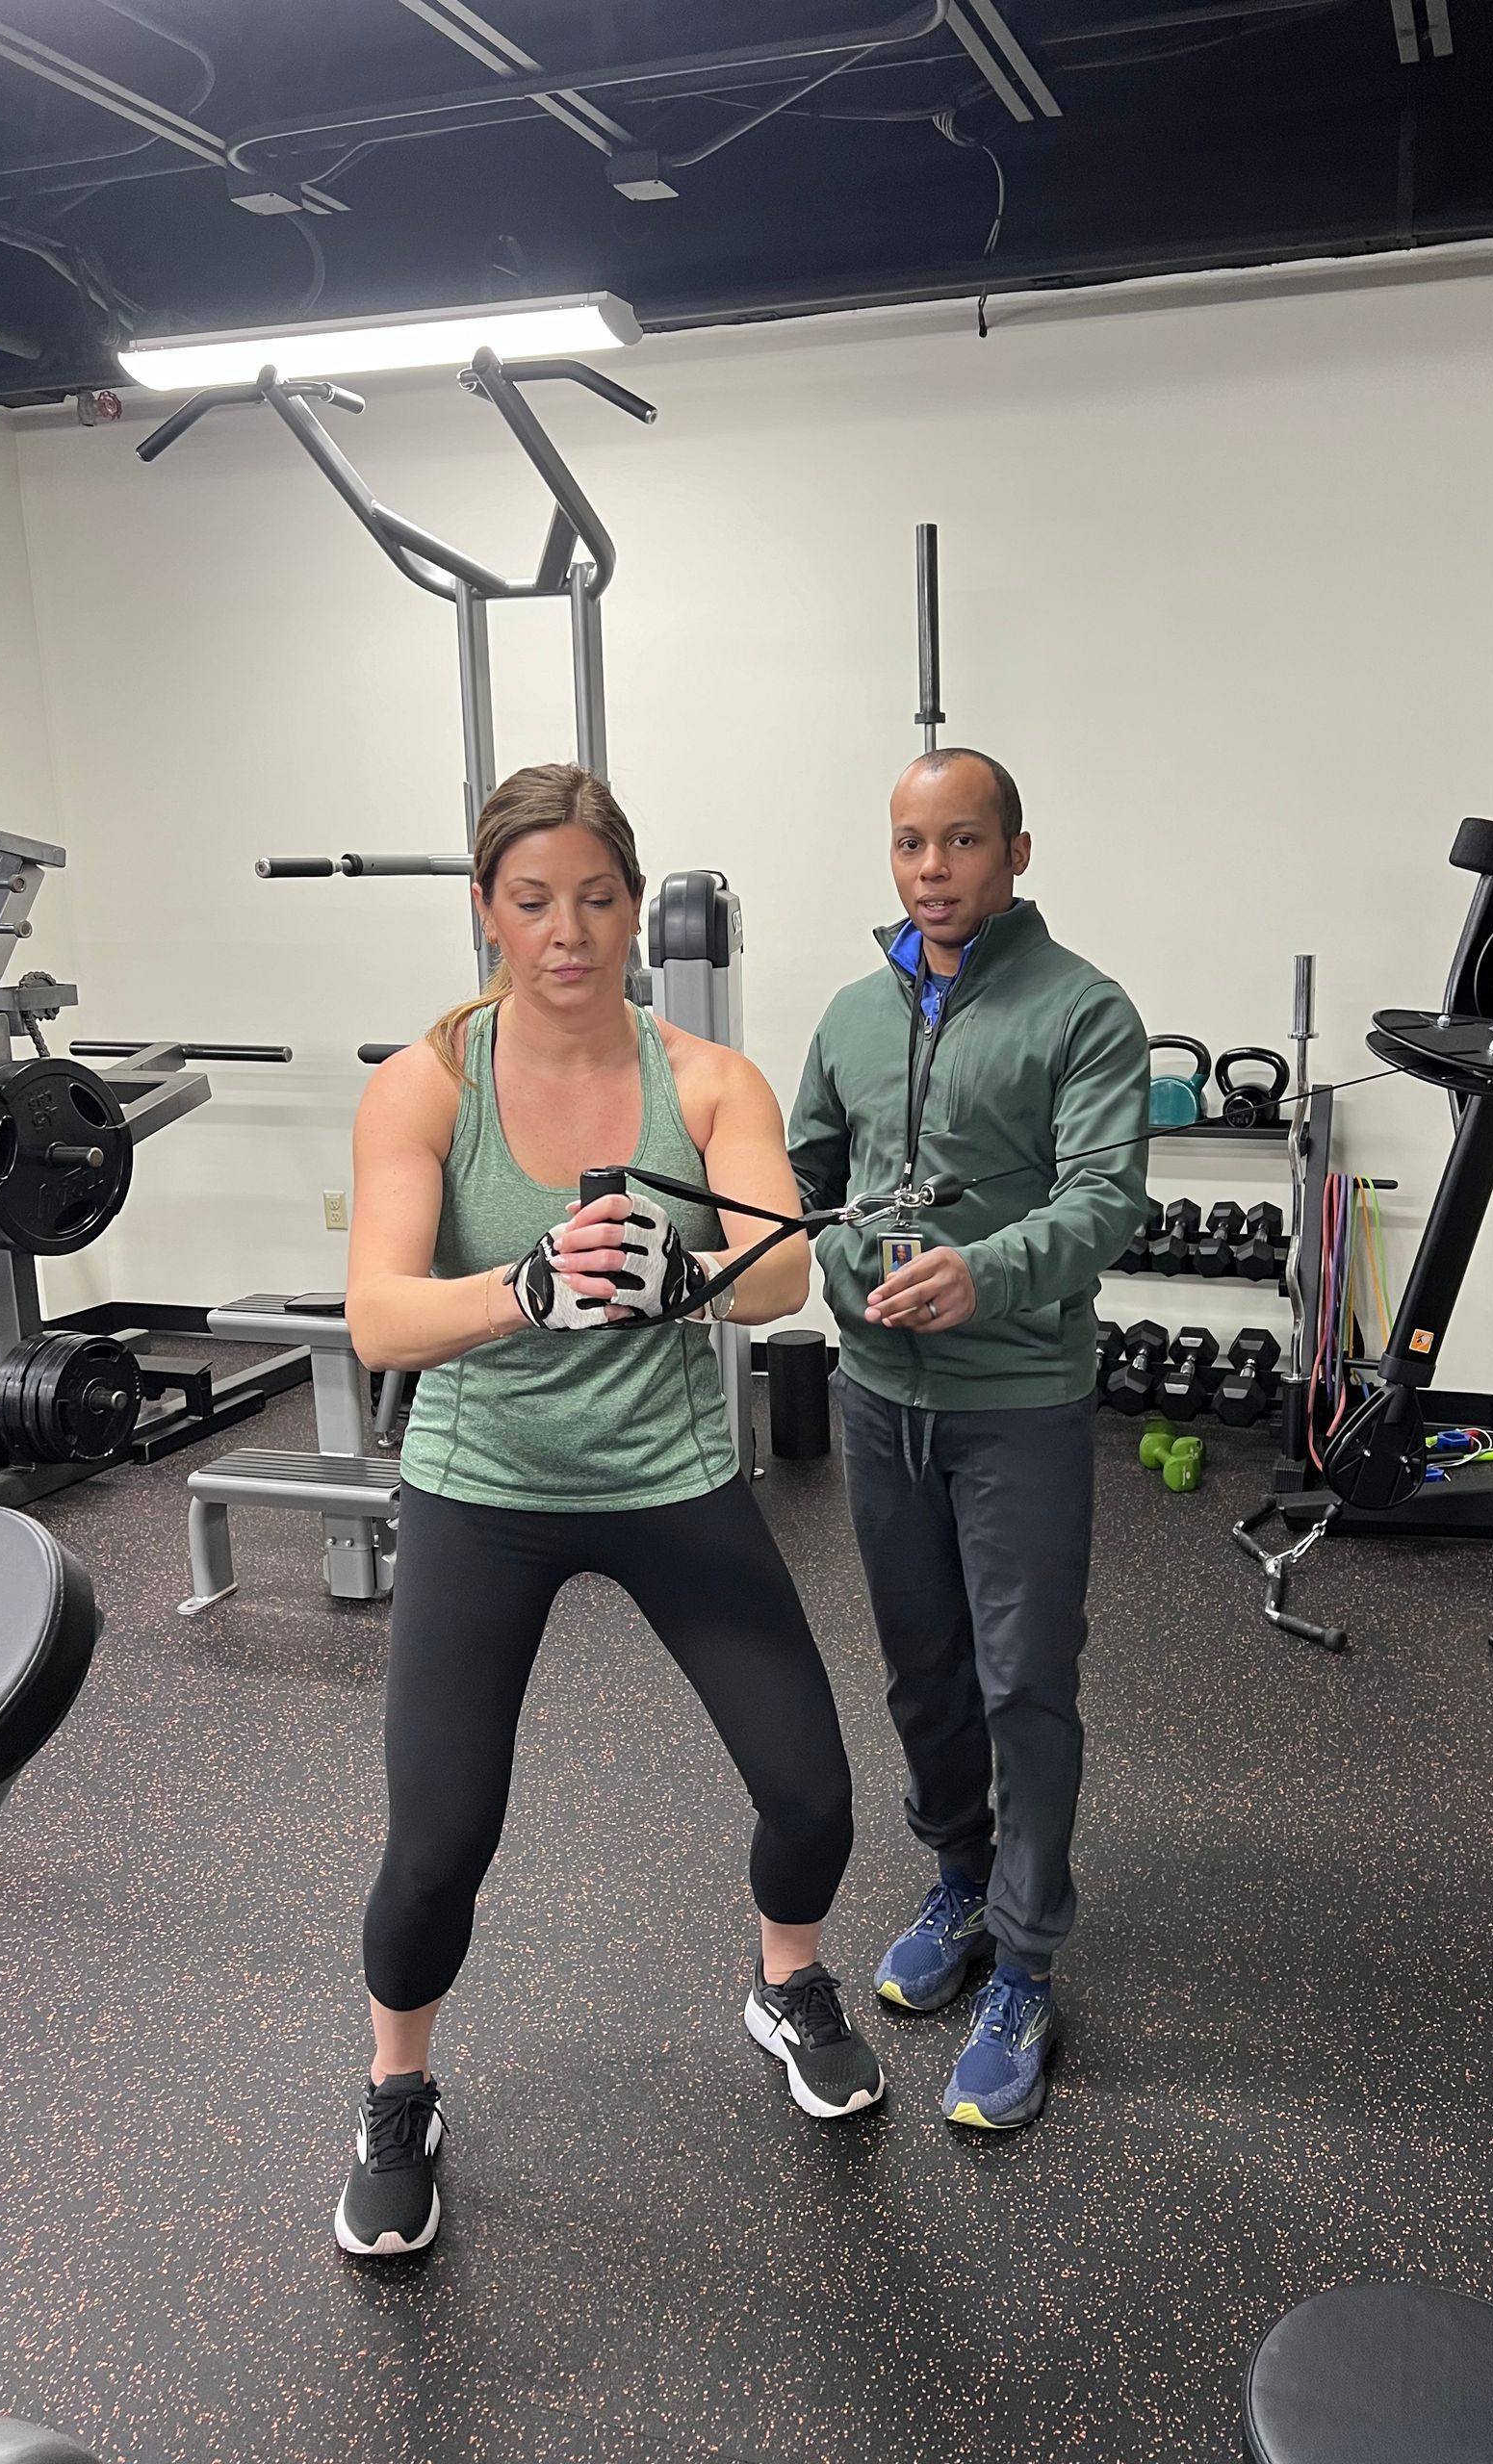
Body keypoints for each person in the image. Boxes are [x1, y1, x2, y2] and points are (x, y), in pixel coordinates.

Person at [337, 762, 885, 2261]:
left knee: (814, 1795)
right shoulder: (426, 1082)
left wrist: (688, 1273)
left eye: (595, 898)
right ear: (487, 914)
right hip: (482, 1493)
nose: (567, 931)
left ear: (634, 909)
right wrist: (524, 1288)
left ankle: (786, 1988)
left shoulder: (707, 1081)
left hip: (668, 1481)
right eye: (533, 902)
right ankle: (398, 2092)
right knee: (441, 1839)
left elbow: (786, 1275)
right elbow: (380, 1319)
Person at [789, 748, 1147, 2131]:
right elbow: (807, 1184)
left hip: (1019, 1410)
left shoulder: (1083, 1012)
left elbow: (1108, 1199)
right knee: (923, 1675)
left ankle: (1028, 1960)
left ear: (1016, 853)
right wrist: (841, 1274)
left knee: (1023, 1686)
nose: (932, 869)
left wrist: (983, 1271)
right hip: (878, 1404)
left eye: (961, 842)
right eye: (909, 845)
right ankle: (958, 1883)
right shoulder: (847, 1016)